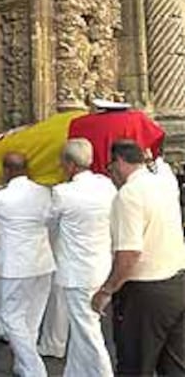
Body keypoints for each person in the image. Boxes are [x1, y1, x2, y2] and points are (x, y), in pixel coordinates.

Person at [92, 139, 185, 375]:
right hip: (176, 284)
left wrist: (106, 291)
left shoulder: (129, 195)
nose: (110, 174)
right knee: (174, 366)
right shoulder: (165, 183)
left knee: (134, 365)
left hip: (145, 291)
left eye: (110, 167)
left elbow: (129, 254)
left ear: (120, 162)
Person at [0, 152, 55, 377]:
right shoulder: (44, 192)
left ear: (6, 170)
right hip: (42, 263)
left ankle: (34, 369)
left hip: (16, 266)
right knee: (32, 317)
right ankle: (22, 365)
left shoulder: (1, 196)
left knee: (11, 317)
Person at [50, 138, 115, 377]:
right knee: (81, 328)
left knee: (87, 331)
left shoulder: (62, 193)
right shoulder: (106, 185)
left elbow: (49, 219)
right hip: (101, 266)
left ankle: (104, 373)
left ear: (70, 164)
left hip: (77, 272)